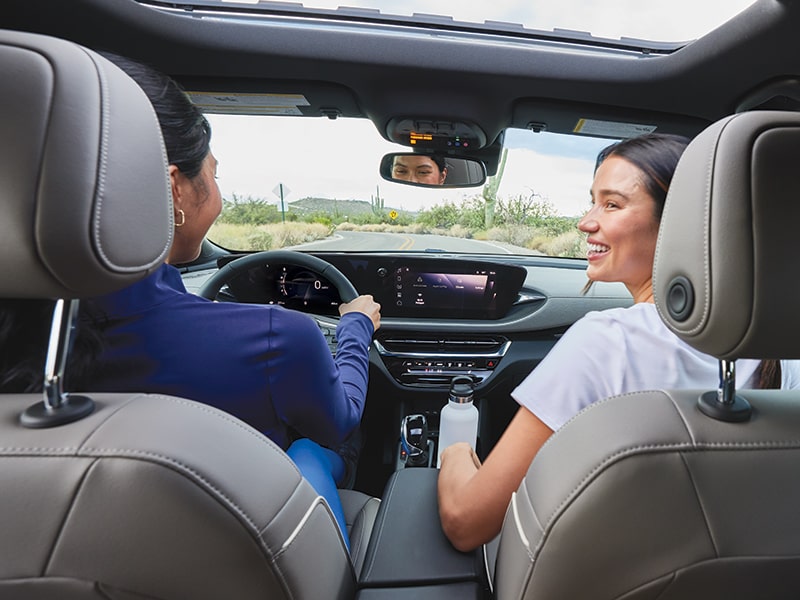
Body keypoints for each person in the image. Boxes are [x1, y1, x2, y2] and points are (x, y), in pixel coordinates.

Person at [0, 52, 380, 551]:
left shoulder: (25, 341)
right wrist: (355, 328)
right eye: (215, 173)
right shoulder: (279, 338)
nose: (217, 190)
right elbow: (343, 416)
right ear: (175, 187)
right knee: (315, 445)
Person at [436, 132, 800, 552]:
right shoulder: (782, 353)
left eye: (612, 204)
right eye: (592, 200)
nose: (586, 221)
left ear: (681, 224)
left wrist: (455, 454)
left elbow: (466, 523)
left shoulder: (605, 342)